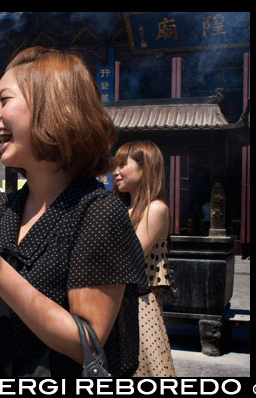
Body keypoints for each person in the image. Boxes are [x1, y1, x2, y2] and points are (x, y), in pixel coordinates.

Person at [0, 46, 147, 377]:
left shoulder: (97, 212)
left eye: (4, 101)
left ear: (53, 108)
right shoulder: (3, 207)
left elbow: (87, 343)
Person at [112, 140, 177, 377]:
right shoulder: (125, 209)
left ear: (145, 167)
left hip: (141, 303)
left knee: (146, 371)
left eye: (121, 165)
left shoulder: (156, 208)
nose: (115, 172)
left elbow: (132, 255)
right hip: (119, 298)